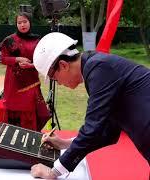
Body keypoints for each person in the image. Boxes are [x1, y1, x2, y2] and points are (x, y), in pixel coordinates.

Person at [30, 32, 150, 178]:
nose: (59, 84)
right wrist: (65, 143)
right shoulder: (96, 67)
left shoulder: (99, 68)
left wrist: (53, 172)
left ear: (63, 65)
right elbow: (107, 132)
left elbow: (92, 129)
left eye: (54, 78)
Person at [0, 12, 50, 132]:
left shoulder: (37, 41)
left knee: (37, 112)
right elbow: (3, 59)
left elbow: (42, 61)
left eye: (25, 22)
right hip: (13, 83)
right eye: (19, 22)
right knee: (14, 111)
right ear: (16, 24)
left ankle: (30, 139)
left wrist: (31, 65)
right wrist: (17, 59)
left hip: (31, 82)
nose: (22, 25)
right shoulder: (9, 40)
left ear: (30, 22)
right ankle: (14, 140)